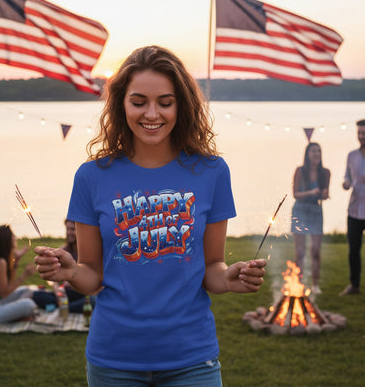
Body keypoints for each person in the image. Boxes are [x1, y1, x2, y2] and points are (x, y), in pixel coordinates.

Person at [34, 45, 266, 387]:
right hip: (114, 359)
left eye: (165, 102)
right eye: (139, 101)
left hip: (192, 358)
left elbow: (212, 267)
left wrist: (229, 278)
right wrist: (70, 271)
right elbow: (92, 275)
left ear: (181, 105)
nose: (152, 114)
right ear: (121, 104)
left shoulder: (212, 172)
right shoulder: (91, 177)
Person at [291, 142, 330, 295]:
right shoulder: (300, 171)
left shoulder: (325, 172)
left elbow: (325, 193)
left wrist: (324, 194)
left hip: (316, 210)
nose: (316, 154)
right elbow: (295, 194)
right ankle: (299, 283)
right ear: (307, 154)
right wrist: (310, 193)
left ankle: (314, 285)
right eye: (313, 151)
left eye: (319, 151)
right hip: (300, 209)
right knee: (300, 251)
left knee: (315, 250)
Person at [32, 219, 95, 312]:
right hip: (67, 293)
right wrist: (58, 293)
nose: (69, 232)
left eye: (73, 229)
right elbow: (54, 279)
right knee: (36, 295)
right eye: (67, 229)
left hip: (83, 292)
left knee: (93, 300)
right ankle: (66, 307)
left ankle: (63, 308)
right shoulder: (62, 251)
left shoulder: (89, 251)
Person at [340, 119, 365, 295]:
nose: (361, 136)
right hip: (355, 210)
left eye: (364, 133)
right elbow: (346, 178)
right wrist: (346, 183)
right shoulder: (351, 155)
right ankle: (354, 285)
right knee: (353, 251)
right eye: (359, 133)